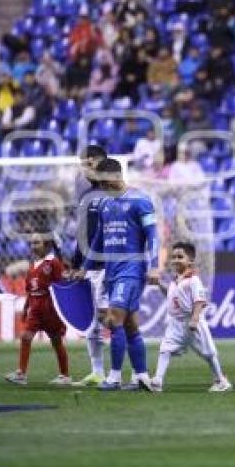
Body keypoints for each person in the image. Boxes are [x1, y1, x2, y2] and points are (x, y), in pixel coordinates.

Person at [84, 158, 158, 391]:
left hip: (132, 270)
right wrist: (85, 267)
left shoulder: (140, 201)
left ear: (116, 176)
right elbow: (99, 239)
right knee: (130, 326)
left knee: (114, 321)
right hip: (111, 271)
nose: (101, 187)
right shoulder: (105, 204)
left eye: (104, 182)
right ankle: (141, 377)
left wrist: (154, 265)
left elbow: (153, 236)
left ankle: (114, 377)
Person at [147, 242, 231, 393]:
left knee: (208, 353)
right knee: (165, 349)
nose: (175, 260)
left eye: (180, 257)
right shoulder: (175, 280)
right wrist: (159, 284)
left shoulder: (193, 280)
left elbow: (199, 301)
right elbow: (171, 295)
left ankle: (221, 380)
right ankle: (157, 381)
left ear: (190, 261)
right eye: (173, 257)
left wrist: (195, 319)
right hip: (175, 323)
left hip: (191, 321)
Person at [5, 236, 71, 386]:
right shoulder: (33, 265)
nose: (33, 246)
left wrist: (62, 307)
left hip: (49, 307)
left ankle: (65, 375)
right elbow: (30, 290)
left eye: (36, 243)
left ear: (45, 245)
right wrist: (26, 307)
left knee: (56, 340)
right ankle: (21, 374)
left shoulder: (52, 262)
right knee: (25, 337)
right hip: (35, 307)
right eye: (31, 243)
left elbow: (61, 282)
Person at [72, 145, 110, 387]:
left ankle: (133, 373)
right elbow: (83, 234)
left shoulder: (115, 194)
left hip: (111, 266)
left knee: (113, 319)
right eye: (83, 164)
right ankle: (98, 372)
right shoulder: (86, 196)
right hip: (90, 266)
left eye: (89, 162)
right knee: (91, 324)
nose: (86, 168)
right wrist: (76, 262)